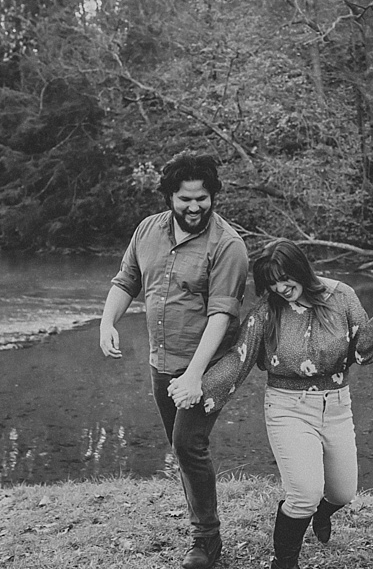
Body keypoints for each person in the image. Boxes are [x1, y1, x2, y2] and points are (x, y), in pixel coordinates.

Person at [197, 240, 373, 569]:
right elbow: (240, 359)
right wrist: (198, 386)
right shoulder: (268, 310)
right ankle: (284, 561)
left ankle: (321, 514)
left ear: (300, 270)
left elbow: (360, 351)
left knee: (342, 493)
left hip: (337, 406)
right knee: (303, 496)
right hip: (288, 408)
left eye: (284, 278)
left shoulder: (341, 296)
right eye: (271, 282)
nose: (280, 287)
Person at [99, 153, 251, 569]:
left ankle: (206, 542)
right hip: (161, 360)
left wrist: (196, 377)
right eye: (185, 199)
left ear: (213, 196)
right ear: (170, 197)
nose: (194, 207)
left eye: (203, 198)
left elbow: (222, 316)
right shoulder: (147, 229)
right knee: (181, 448)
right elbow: (126, 280)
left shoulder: (228, 245)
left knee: (189, 444)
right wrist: (107, 321)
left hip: (211, 364)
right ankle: (202, 528)